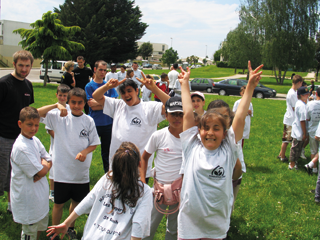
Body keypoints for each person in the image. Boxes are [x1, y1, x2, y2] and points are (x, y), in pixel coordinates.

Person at [178, 61, 263, 239]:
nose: (210, 132)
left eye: (216, 128)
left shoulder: (228, 150)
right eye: (206, 128)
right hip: (188, 225)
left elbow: (239, 117)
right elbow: (187, 113)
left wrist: (250, 87)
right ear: (198, 130)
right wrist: (185, 83)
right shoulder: (191, 146)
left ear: (225, 133)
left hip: (216, 227)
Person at [47, 142, 153, 240]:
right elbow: (138, 225)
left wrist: (67, 222)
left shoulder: (107, 178)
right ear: (139, 164)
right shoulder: (145, 192)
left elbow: (88, 200)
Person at [38, 88, 100, 239]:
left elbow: (94, 143)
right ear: (68, 102)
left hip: (80, 172)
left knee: (77, 202)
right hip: (61, 171)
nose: (76, 106)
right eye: (73, 102)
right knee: (58, 204)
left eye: (80, 103)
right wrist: (56, 105)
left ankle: (69, 227)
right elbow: (35, 112)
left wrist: (84, 152)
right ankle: (54, 230)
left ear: (84, 103)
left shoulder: (88, 120)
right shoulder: (58, 116)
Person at [92, 77, 169, 183]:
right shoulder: (118, 105)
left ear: (137, 91)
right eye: (123, 92)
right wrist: (107, 86)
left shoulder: (150, 108)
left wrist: (154, 88)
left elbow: (171, 105)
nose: (126, 95)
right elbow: (96, 96)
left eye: (129, 91)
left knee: (138, 197)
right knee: (115, 196)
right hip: (117, 165)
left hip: (139, 168)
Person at [141, 96, 184, 240]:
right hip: (158, 191)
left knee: (174, 228)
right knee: (149, 225)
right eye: (173, 114)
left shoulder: (190, 138)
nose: (177, 118)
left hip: (180, 191)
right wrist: (143, 181)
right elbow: (144, 157)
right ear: (166, 115)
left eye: (180, 114)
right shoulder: (158, 135)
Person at [0, 50, 34, 214]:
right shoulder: (4, 84)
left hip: (21, 138)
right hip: (3, 137)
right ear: (14, 64)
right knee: (2, 173)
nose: (24, 69)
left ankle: (11, 206)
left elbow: (29, 111)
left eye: (27, 66)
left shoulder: (28, 85)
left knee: (15, 174)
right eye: (21, 65)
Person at [10, 107, 52, 240]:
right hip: (29, 200)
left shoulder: (34, 140)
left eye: (36, 125)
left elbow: (49, 158)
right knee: (30, 232)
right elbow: (42, 170)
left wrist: (44, 165)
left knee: (39, 228)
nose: (33, 128)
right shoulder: (21, 148)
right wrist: (43, 167)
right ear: (19, 124)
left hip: (40, 197)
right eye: (29, 125)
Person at [85, 60, 118, 173]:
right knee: (87, 148)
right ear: (95, 70)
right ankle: (83, 172)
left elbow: (114, 103)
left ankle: (108, 174)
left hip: (108, 123)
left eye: (104, 70)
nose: (103, 72)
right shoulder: (89, 86)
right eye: (100, 70)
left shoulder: (109, 85)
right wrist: (106, 104)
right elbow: (92, 106)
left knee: (107, 151)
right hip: (94, 123)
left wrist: (99, 103)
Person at [44, 84, 71, 201]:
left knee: (67, 167)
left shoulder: (71, 108)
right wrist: (61, 139)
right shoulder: (52, 110)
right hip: (56, 146)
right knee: (54, 169)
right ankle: (53, 191)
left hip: (69, 146)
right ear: (56, 95)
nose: (62, 98)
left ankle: (66, 189)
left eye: (65, 96)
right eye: (60, 95)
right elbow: (49, 129)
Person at [278, 75, 303, 162]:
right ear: (299, 82)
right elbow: (294, 108)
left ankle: (281, 154)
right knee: (286, 140)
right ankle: (282, 157)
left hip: (289, 118)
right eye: (301, 84)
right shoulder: (292, 94)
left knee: (286, 139)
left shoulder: (292, 92)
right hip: (290, 119)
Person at [288, 86, 310, 170]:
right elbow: (302, 121)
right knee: (295, 148)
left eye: (307, 94)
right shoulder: (301, 105)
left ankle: (295, 162)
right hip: (299, 131)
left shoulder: (300, 103)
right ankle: (292, 164)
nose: (307, 95)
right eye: (305, 94)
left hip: (298, 129)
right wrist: (305, 133)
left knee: (298, 148)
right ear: (300, 95)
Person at [304, 87, 320, 174]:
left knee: (313, 151)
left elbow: (307, 118)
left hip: (313, 131)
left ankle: (314, 169)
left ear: (316, 94)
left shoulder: (310, 104)